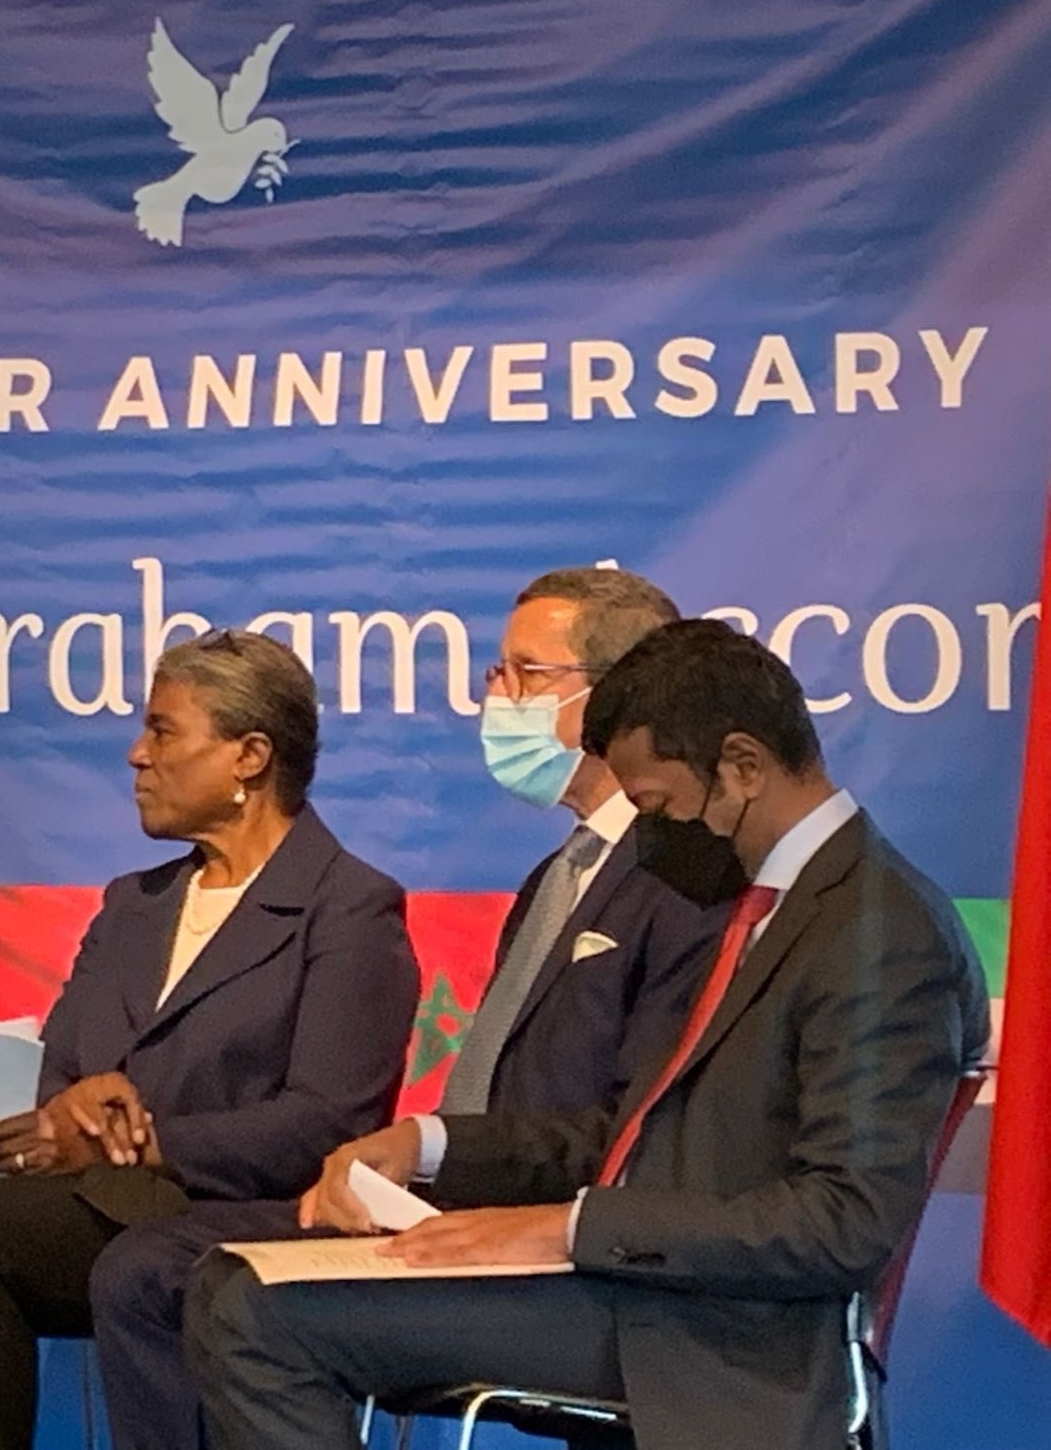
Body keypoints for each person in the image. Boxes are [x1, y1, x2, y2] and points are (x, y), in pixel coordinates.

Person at [188, 620, 992, 1450]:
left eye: (657, 806)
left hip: (723, 1341)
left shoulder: (878, 932)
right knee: (227, 1280)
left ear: (744, 768)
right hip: (635, 1291)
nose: (648, 840)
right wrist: (428, 1146)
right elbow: (628, 1134)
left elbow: (844, 1223)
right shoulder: (756, 909)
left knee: (257, 1313)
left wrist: (569, 1227)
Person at [88, 567, 718, 1450]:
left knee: (213, 1289)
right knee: (152, 1269)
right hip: (445, 1202)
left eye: (524, 676)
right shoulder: (558, 877)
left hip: (561, 1249)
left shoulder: (679, 883)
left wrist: (434, 1152)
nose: (496, 698)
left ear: (616, 696)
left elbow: (637, 1130)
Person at [0, 629, 419, 1450]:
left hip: (230, 1203)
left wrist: (148, 1142)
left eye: (163, 731)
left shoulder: (348, 908)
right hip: (95, 1198)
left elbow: (326, 1124)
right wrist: (67, 1106)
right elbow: (63, 1060)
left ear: (249, 756)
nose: (137, 755)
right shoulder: (135, 902)